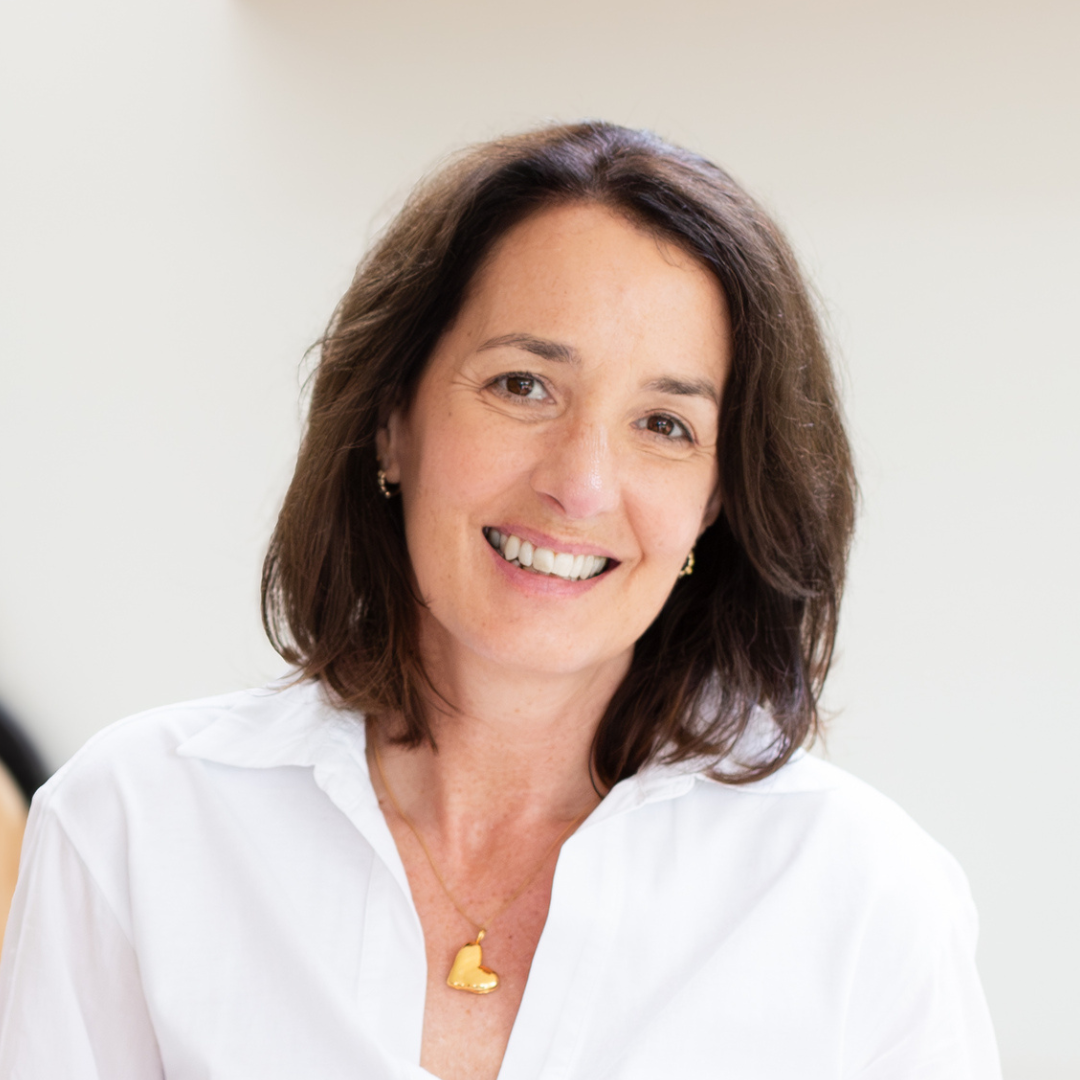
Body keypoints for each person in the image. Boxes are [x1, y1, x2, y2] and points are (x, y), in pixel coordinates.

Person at [0, 122, 1001, 1079]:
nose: (581, 485)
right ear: (391, 420)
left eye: (664, 424)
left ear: (715, 503)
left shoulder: (863, 899)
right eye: (523, 386)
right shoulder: (134, 825)